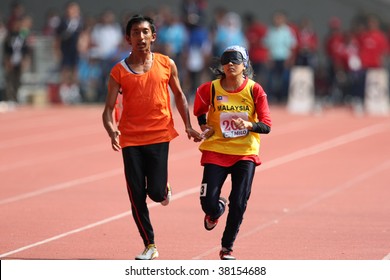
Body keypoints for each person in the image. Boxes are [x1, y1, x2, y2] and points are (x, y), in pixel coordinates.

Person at [102, 14, 202, 260]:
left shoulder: (167, 64)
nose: (141, 37)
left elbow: (179, 95)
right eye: (135, 33)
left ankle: (163, 188)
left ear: (153, 37)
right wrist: (112, 129)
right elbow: (107, 109)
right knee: (136, 194)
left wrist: (188, 125)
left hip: (159, 134)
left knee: (156, 194)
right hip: (131, 138)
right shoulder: (118, 71)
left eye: (145, 32)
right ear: (128, 38)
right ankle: (150, 245)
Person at [193, 45, 272, 260]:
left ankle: (227, 247)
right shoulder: (209, 89)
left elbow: (266, 125)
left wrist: (248, 125)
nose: (230, 64)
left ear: (244, 64)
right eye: (226, 60)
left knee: (239, 202)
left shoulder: (255, 90)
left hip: (245, 152)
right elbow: (199, 109)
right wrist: (204, 126)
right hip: (216, 149)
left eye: (235, 61)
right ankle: (217, 208)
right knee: (207, 203)